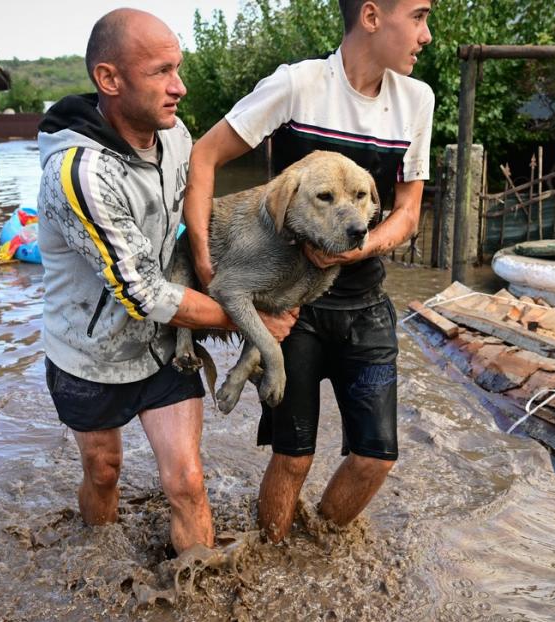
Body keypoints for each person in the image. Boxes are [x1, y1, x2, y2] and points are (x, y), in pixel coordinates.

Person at [36, 9, 297, 554]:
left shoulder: (175, 134)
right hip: (91, 355)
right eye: (161, 72)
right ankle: (99, 562)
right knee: (105, 471)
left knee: (187, 482)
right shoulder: (80, 174)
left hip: (163, 347)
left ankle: (198, 608)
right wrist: (251, 320)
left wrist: (263, 266)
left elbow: (202, 214)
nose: (179, 87)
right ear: (109, 79)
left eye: (178, 68)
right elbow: (142, 294)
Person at [184, 0, 435, 543]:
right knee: (293, 457)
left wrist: (358, 251)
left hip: (366, 304)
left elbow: (409, 212)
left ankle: (319, 547)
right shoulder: (297, 85)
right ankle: (273, 556)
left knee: (375, 457)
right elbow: (204, 155)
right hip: (292, 304)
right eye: (417, 17)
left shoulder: (417, 99)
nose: (427, 34)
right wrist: (205, 267)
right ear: (372, 16)